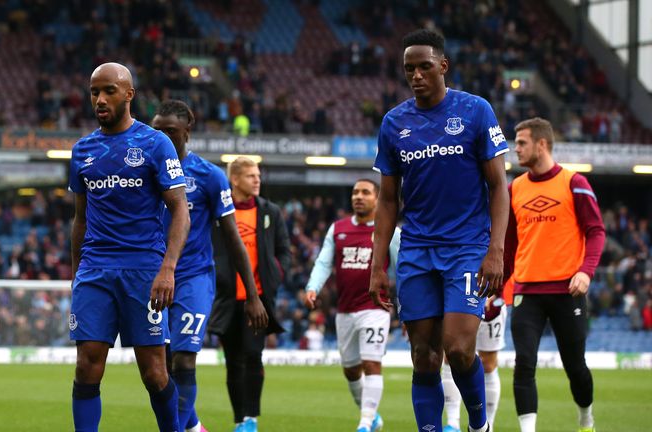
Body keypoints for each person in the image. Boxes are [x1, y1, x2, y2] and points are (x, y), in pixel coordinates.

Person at [368, 29, 510, 432]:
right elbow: (388, 200)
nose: (415, 75)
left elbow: (499, 186)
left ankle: (479, 424)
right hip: (415, 250)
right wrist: (379, 265)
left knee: (460, 348)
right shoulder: (394, 122)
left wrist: (495, 250)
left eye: (424, 67)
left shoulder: (475, 111)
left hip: (466, 247)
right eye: (408, 69)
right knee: (423, 355)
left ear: (443, 66)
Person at [68, 62, 190, 432]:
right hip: (95, 269)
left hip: (144, 269)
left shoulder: (155, 143)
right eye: (94, 92)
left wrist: (167, 268)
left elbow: (180, 209)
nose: (100, 99)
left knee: (154, 372)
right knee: (87, 365)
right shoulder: (82, 150)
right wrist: (76, 277)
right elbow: (80, 219)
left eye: (109, 91)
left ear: (129, 94)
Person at [151, 100, 269, 432]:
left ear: (187, 131)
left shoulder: (209, 176)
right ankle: (193, 427)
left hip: (193, 279)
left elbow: (234, 239)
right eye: (156, 130)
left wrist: (254, 296)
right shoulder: (144, 171)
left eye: (170, 131)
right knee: (157, 368)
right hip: (151, 277)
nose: (161, 137)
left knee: (184, 359)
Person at [505, 117, 605, 432]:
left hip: (567, 292)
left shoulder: (574, 182)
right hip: (527, 292)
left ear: (542, 144)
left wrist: (586, 272)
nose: (516, 149)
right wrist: (497, 286)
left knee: (575, 368)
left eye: (521, 143)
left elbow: (596, 231)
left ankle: (586, 418)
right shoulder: (514, 189)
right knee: (523, 364)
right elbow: (509, 246)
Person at [303, 179, 401, 432]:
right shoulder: (338, 229)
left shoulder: (389, 229)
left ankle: (365, 424)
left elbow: (402, 268)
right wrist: (312, 287)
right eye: (355, 192)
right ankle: (371, 416)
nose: (358, 196)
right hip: (345, 310)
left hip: (375, 307)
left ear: (377, 199)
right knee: (351, 371)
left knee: (371, 363)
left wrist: (407, 306)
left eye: (365, 192)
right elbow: (324, 263)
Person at [208, 156, 291, 432]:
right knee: (233, 361)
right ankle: (239, 418)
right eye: (250, 176)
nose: (257, 179)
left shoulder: (270, 212)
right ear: (234, 179)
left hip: (258, 301)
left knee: (253, 356)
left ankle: (251, 419)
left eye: (258, 175)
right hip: (227, 299)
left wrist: (274, 275)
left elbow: (284, 252)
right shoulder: (218, 212)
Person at [442, 294, 507, 432]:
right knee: (451, 355)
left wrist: (497, 292)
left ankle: (488, 424)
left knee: (488, 363)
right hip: (458, 296)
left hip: (489, 298)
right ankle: (452, 423)